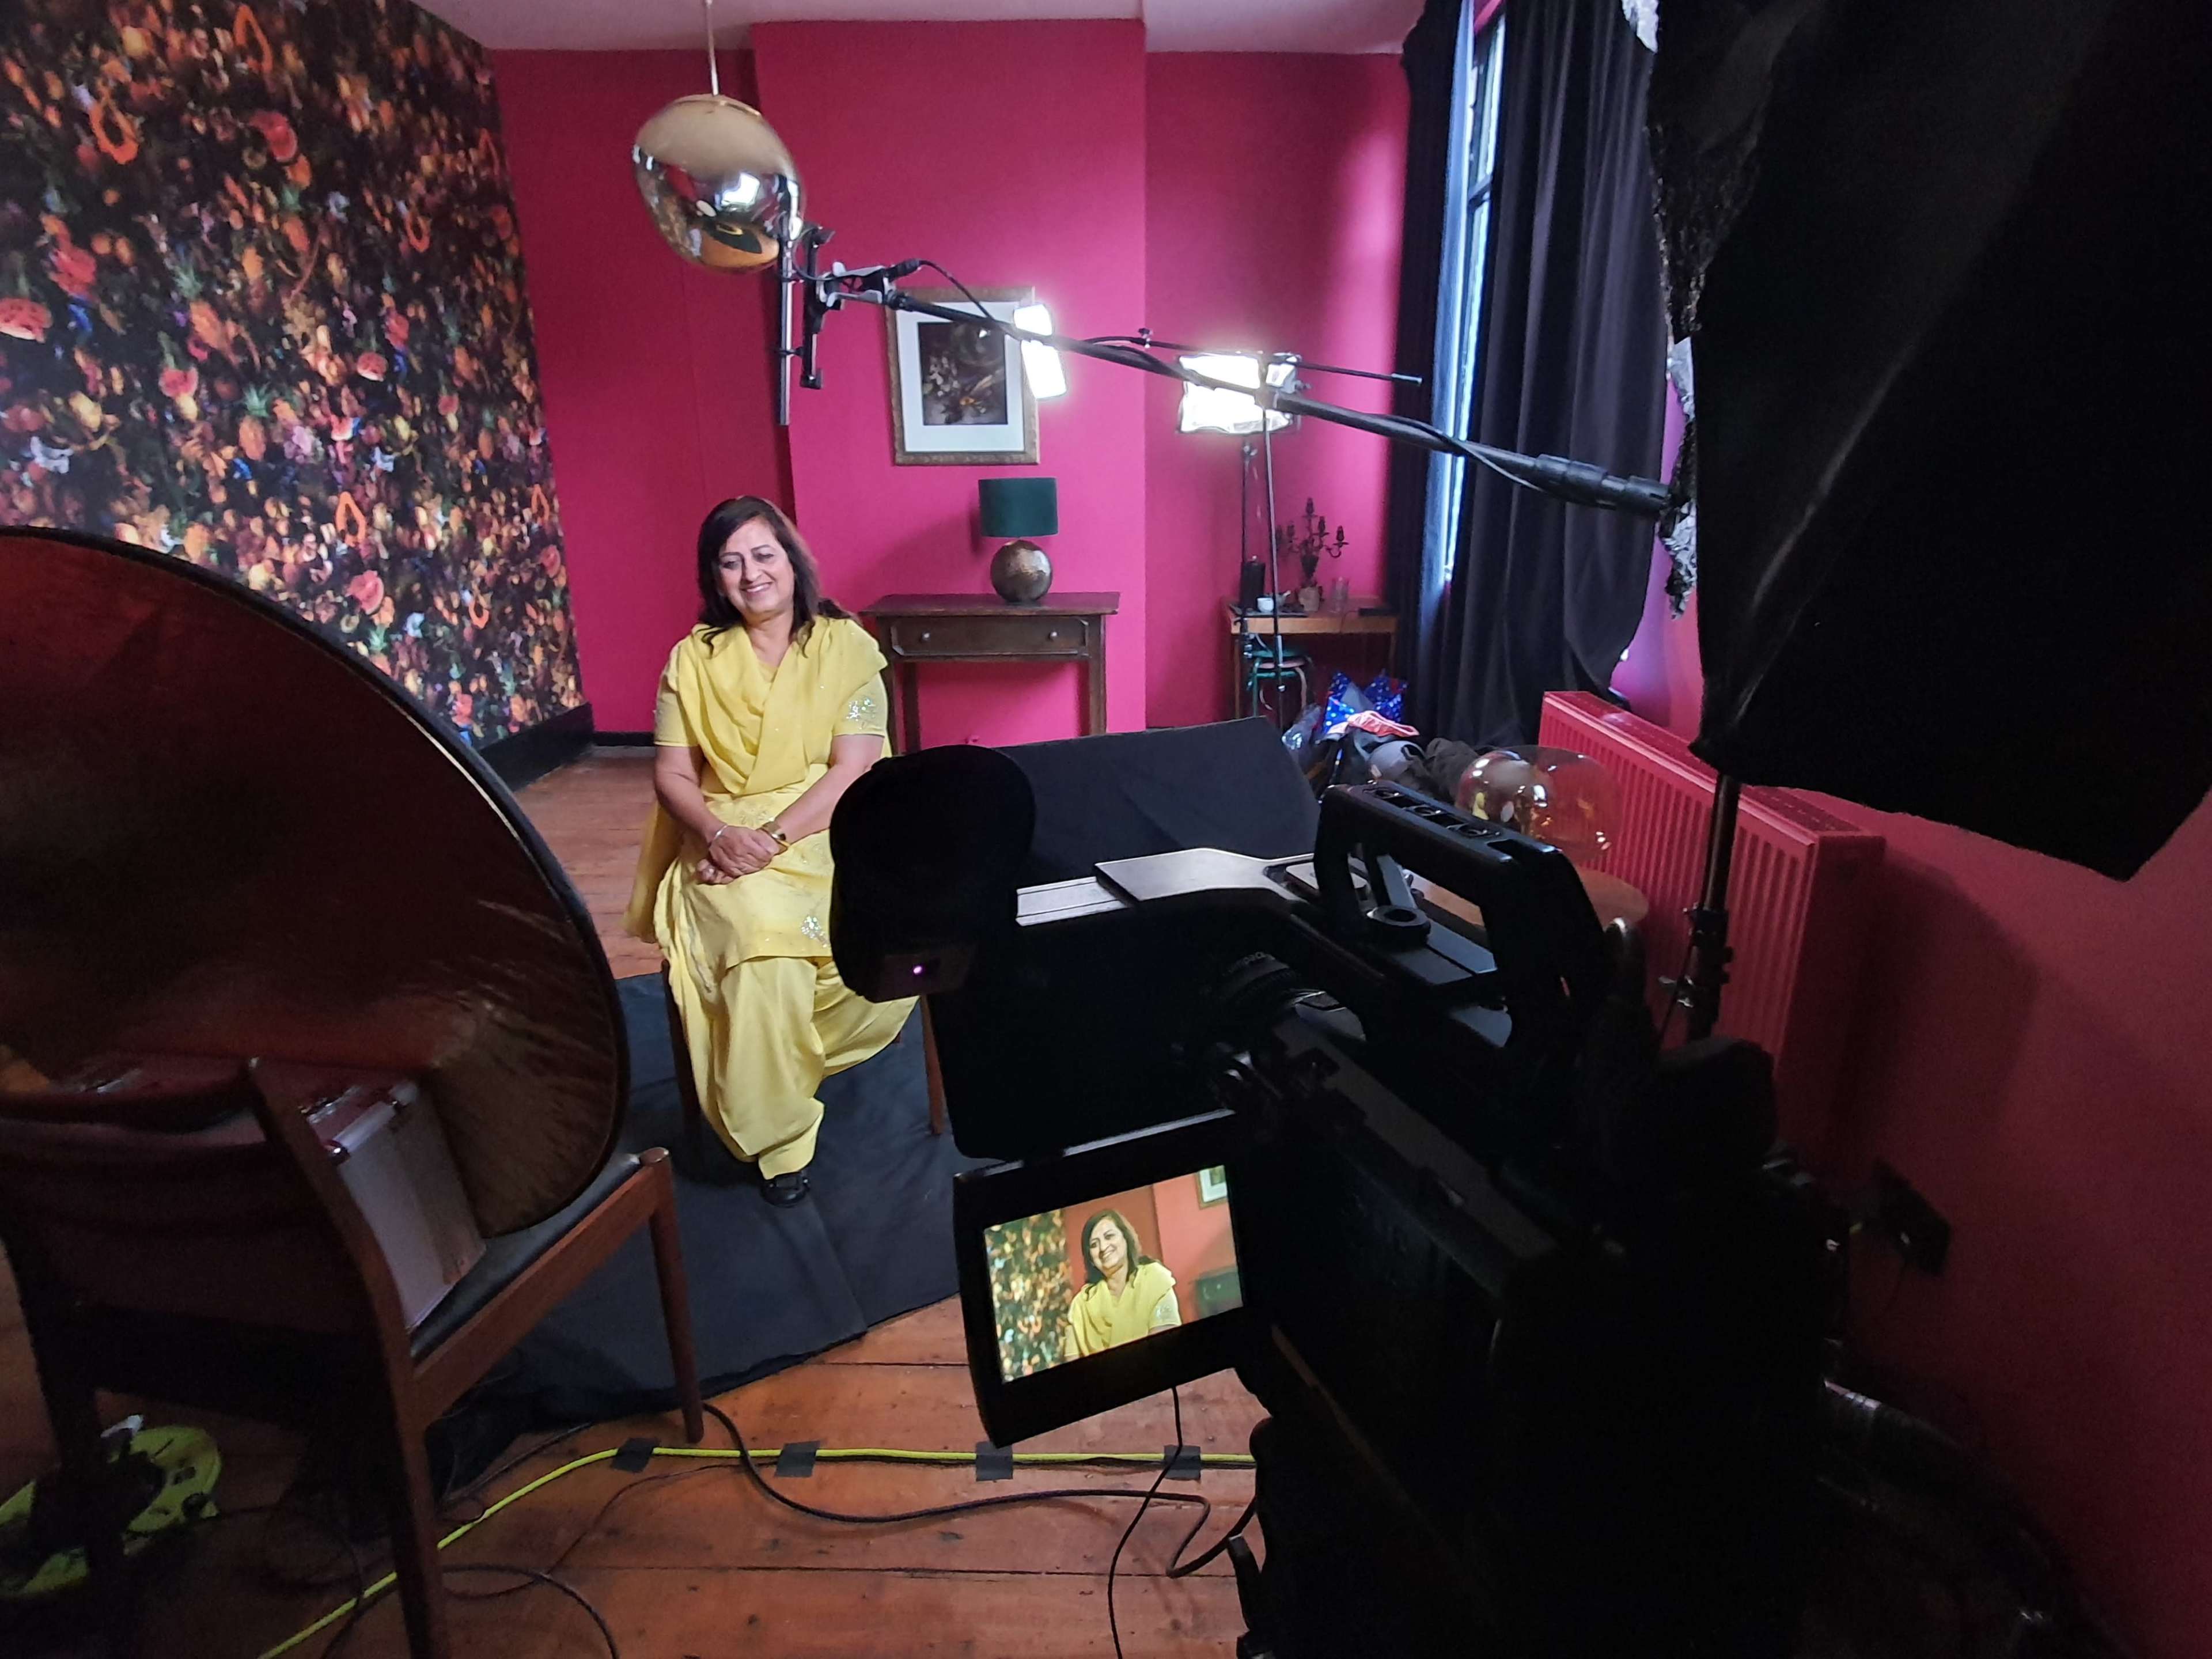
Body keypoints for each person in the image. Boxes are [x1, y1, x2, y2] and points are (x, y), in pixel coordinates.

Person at [625, 497, 914, 1206]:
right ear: (714, 579)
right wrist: (724, 837)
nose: (751, 574)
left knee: (819, 932)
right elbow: (671, 775)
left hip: (829, 829)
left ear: (792, 561)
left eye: (763, 555)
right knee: (757, 939)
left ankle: (777, 1088)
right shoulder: (692, 661)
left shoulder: (846, 650)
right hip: (719, 840)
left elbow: (853, 771)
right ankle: (778, 1136)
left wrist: (773, 839)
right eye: (731, 562)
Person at [1063, 1209, 1181, 1357]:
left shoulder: (1154, 1280)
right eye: (1094, 1245)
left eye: (1109, 1236)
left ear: (1126, 1238)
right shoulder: (1080, 1305)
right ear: (1091, 1259)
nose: (1103, 1248)